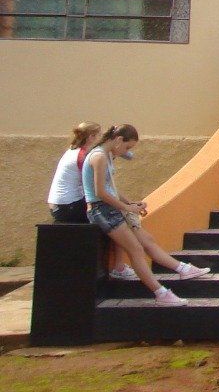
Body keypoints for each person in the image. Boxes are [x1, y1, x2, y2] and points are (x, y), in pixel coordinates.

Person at [83, 125, 210, 306]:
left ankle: (178, 275)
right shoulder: (99, 157)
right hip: (101, 210)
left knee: (144, 241)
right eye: (127, 147)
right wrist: (127, 207)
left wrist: (130, 204)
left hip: (109, 209)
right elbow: (100, 192)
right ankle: (161, 293)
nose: (126, 152)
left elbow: (110, 189)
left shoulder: (106, 155)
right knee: (136, 249)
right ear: (118, 140)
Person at [47, 121, 101, 223]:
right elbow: (91, 184)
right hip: (68, 205)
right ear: (91, 137)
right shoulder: (82, 155)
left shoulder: (71, 150)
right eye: (99, 135)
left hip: (58, 204)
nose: (101, 139)